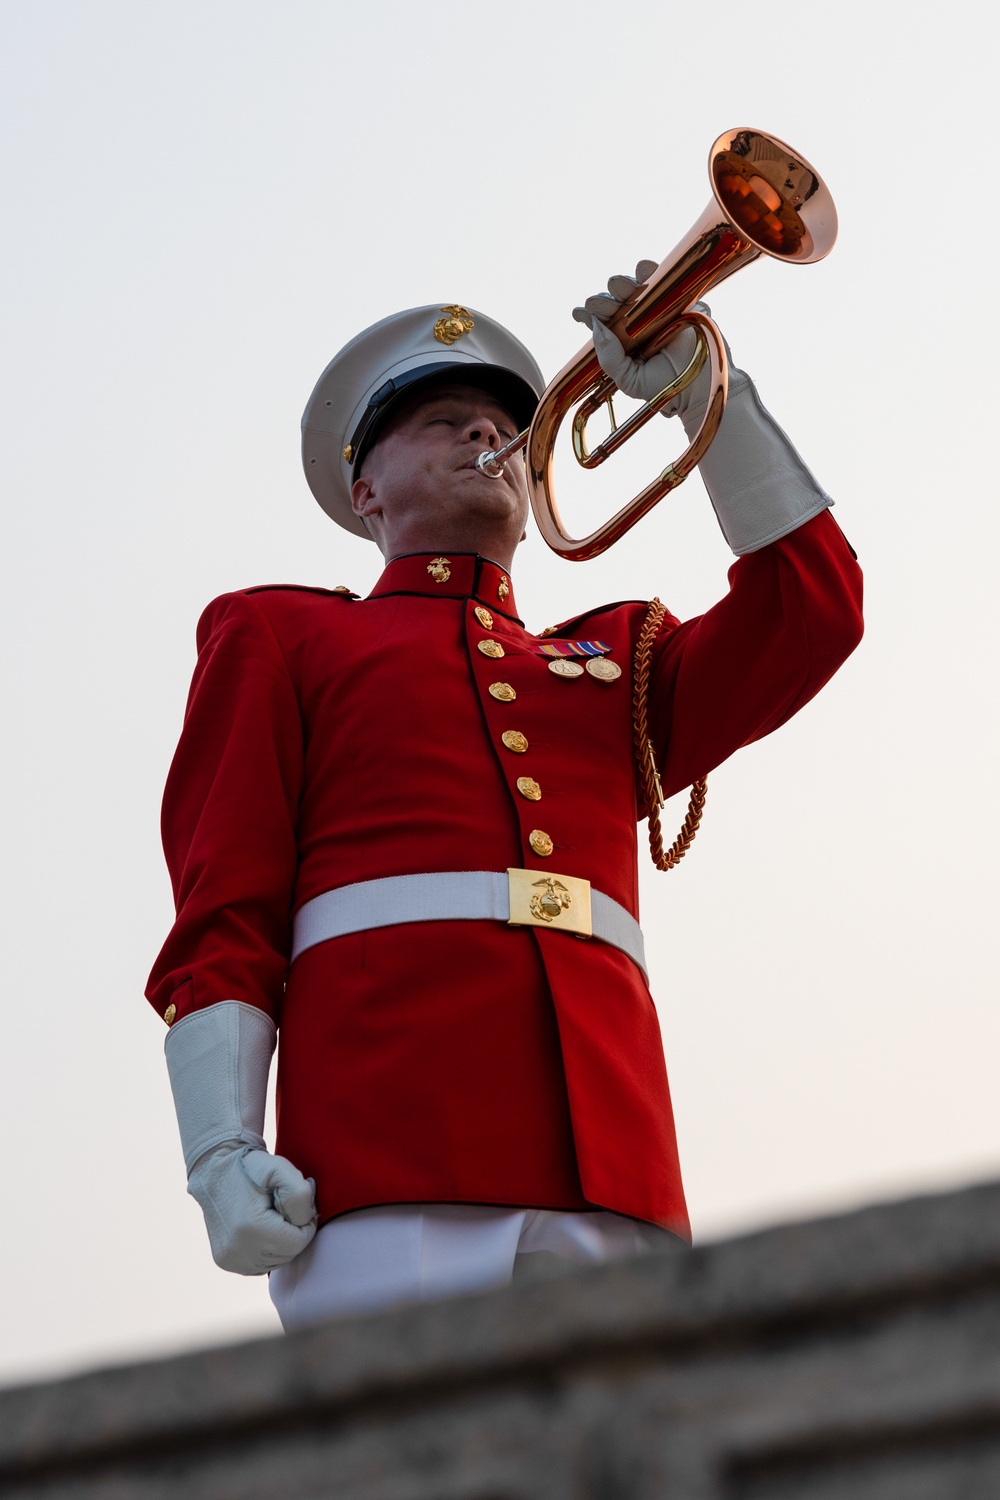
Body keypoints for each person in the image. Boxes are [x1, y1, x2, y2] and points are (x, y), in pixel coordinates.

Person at [146, 282, 863, 1328]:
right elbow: (226, 906)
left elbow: (812, 613)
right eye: (439, 422)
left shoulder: (616, 659)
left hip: (613, 1161)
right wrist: (218, 1147)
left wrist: (707, 402)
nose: (484, 433)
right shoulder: (285, 637)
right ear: (365, 494)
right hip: (387, 1148)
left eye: (502, 426)